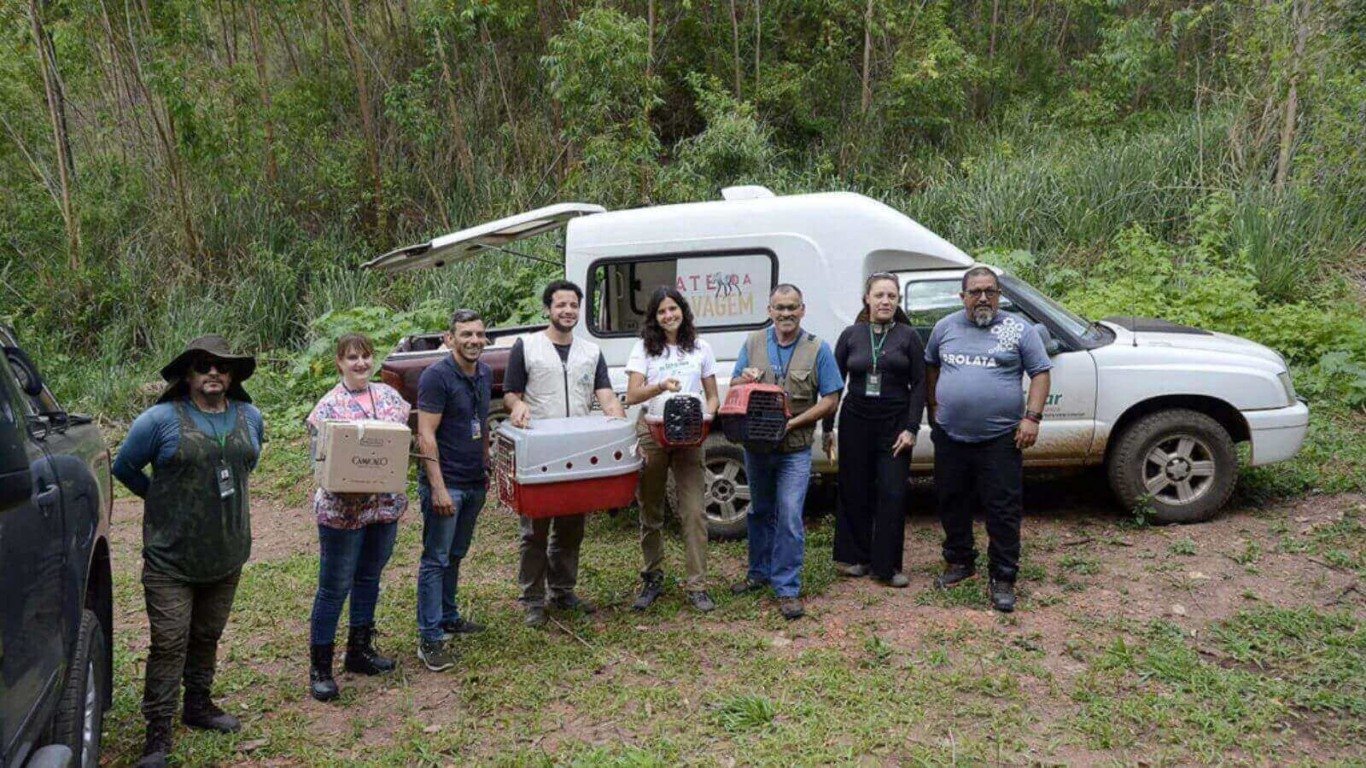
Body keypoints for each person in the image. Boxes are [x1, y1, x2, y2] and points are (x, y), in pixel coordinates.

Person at [112, 335, 266, 768]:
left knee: (206, 636)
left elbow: (246, 464)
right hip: (170, 558)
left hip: (227, 552)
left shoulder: (249, 416)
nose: (213, 372)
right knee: (169, 642)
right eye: (202, 366)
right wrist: (159, 499)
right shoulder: (158, 420)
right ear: (187, 375)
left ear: (232, 375)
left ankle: (198, 705)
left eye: (221, 366)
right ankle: (157, 733)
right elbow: (124, 466)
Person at [926, 266, 1052, 612]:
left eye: (991, 291)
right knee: (951, 500)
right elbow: (931, 366)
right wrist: (934, 408)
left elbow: (1040, 373)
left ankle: (1003, 576)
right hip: (950, 436)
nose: (984, 298)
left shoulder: (1018, 329)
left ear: (999, 295)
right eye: (976, 291)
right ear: (962, 296)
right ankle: (960, 562)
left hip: (1001, 438)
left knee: (1003, 509)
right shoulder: (945, 328)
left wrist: (1032, 418)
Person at [504, 280, 626, 627]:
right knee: (535, 530)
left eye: (573, 305)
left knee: (572, 525)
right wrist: (518, 406)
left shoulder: (591, 351)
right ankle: (532, 598)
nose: (567, 311)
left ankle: (562, 589)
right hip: (540, 448)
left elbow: (604, 393)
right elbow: (511, 393)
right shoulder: (526, 347)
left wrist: (617, 421)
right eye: (561, 305)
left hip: (578, 446)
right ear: (548, 309)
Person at [304, 333, 411, 701]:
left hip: (384, 507)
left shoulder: (389, 398)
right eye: (352, 358)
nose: (361, 363)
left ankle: (359, 650)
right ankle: (320, 666)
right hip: (342, 513)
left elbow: (400, 443)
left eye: (365, 356)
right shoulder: (328, 407)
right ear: (339, 362)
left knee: (369, 577)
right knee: (334, 586)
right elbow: (320, 461)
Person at [728, 284, 842, 620]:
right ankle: (758, 573)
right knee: (759, 511)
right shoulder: (753, 343)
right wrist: (743, 380)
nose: (786, 314)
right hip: (758, 446)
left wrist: (795, 423)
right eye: (780, 308)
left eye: (792, 307)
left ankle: (787, 587)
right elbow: (734, 385)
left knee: (790, 515)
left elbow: (831, 398)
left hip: (795, 448)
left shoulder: (818, 348)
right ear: (770, 310)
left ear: (803, 310)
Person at [823, 273, 926, 588]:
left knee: (892, 491)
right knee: (854, 488)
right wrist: (828, 429)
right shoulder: (851, 335)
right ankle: (856, 558)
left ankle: (887, 566)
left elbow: (920, 384)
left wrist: (911, 429)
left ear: (898, 301)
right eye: (879, 295)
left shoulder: (909, 337)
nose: (885, 301)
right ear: (866, 299)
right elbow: (834, 385)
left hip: (895, 425)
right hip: (856, 422)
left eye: (891, 296)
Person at [625, 286, 720, 612]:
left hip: (689, 436)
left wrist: (708, 416)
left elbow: (712, 395)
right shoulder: (644, 349)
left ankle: (697, 585)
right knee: (651, 509)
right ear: (654, 317)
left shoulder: (701, 347)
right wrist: (661, 386)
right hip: (653, 433)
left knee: (693, 511)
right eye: (661, 311)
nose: (669, 316)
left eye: (673, 309)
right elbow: (633, 395)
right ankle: (652, 576)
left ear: (683, 311)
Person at [414, 310, 490, 671]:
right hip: (448, 484)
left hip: (475, 480)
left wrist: (487, 463)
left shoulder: (484, 372)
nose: (474, 340)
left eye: (479, 334)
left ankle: (448, 615)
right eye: (465, 334)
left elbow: (482, 422)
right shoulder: (436, 377)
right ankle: (429, 637)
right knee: (436, 558)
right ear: (449, 338)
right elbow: (425, 434)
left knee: (456, 553)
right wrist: (438, 488)